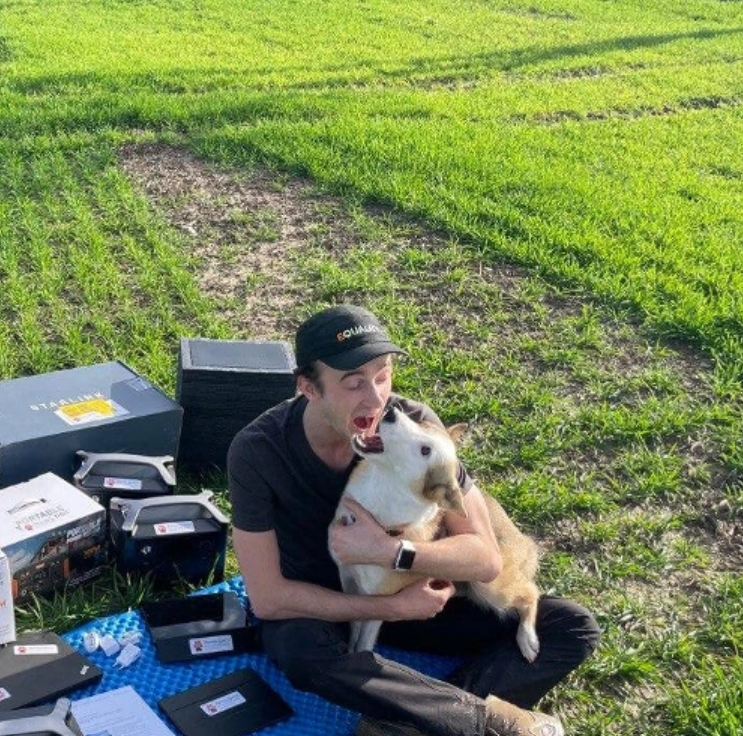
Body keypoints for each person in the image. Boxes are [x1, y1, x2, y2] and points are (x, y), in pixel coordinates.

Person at [228, 305, 600, 736]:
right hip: (324, 610)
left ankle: (411, 723)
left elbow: (485, 558)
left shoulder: (417, 428)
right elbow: (269, 599)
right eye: (353, 384)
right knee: (299, 651)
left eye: (383, 375)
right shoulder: (258, 452)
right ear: (309, 388)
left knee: (570, 625)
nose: (376, 399)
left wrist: (391, 553)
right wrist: (387, 607)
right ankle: (481, 723)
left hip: (417, 600)